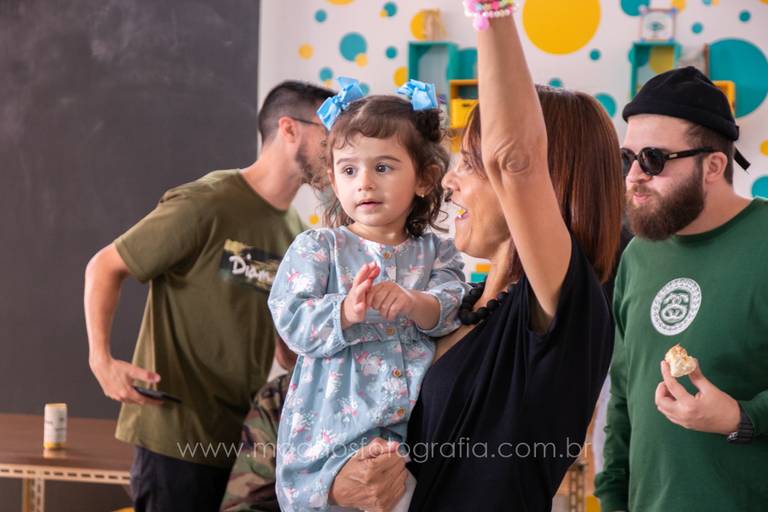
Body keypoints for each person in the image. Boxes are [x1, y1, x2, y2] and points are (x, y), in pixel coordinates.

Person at [328, 5, 624, 511]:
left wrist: (492, 14)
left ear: (547, 182)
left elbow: (517, 161)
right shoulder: (452, 302)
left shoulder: (566, 310)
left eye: (469, 162)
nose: (449, 181)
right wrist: (340, 483)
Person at [83, 80, 334, 511]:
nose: (337, 149)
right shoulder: (207, 202)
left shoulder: (295, 232)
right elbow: (105, 266)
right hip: (176, 431)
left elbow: (278, 335)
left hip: (242, 441)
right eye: (329, 135)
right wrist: (101, 360)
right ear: (289, 129)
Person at [268, 78, 469, 512]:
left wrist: (416, 303)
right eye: (349, 170)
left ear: (425, 178)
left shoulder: (436, 253)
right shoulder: (318, 248)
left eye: (383, 168)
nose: (364, 183)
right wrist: (343, 311)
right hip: (329, 434)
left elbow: (455, 304)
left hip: (410, 439)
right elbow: (290, 318)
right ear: (332, 178)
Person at [594, 66, 768, 511]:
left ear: (713, 166)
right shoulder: (637, 256)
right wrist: (612, 499)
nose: (634, 175)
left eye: (653, 159)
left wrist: (742, 417)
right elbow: (624, 398)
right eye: (627, 158)